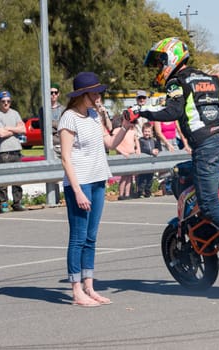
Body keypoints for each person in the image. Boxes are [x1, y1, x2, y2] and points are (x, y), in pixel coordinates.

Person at [139, 37, 219, 268]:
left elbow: (172, 111)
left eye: (161, 60)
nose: (160, 66)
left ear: (172, 57)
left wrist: (143, 112)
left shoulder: (177, 82)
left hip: (206, 146)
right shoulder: (211, 80)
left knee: (209, 204)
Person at [58, 71, 132, 306]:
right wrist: (78, 190)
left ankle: (89, 286)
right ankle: (76, 289)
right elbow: (66, 158)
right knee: (78, 237)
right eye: (96, 92)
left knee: (91, 237)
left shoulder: (92, 115)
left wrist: (125, 126)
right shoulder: (68, 118)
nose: (100, 95)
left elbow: (110, 143)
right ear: (83, 94)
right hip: (80, 183)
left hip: (98, 179)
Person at [0, 91, 27, 213]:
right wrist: (16, 130)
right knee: (3, 180)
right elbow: (1, 133)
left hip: (16, 149)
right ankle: (3, 203)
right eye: (3, 101)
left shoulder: (15, 113)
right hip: (4, 151)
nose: (6, 103)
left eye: (8, 101)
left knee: (17, 179)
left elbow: (24, 129)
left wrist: (8, 128)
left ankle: (17, 203)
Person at [113, 109, 140, 200]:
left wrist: (138, 150)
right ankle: (121, 194)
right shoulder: (117, 130)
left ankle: (127, 194)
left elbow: (136, 141)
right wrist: (122, 152)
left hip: (131, 154)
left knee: (129, 176)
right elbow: (113, 144)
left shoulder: (133, 130)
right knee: (124, 176)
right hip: (122, 155)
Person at [38, 83, 65, 155]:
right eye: (51, 93)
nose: (53, 94)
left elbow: (63, 127)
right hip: (49, 146)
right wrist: (55, 125)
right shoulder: (42, 110)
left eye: (55, 93)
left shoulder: (63, 109)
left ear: (58, 94)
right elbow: (43, 128)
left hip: (62, 145)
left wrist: (52, 124)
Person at [137, 122, 160, 198]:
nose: (147, 133)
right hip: (143, 163)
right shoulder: (140, 140)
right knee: (142, 178)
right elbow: (143, 149)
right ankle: (140, 191)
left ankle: (148, 191)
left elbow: (158, 147)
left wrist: (157, 150)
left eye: (148, 131)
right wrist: (151, 151)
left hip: (151, 163)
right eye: (145, 131)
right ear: (142, 132)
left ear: (151, 132)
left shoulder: (153, 140)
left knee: (150, 178)